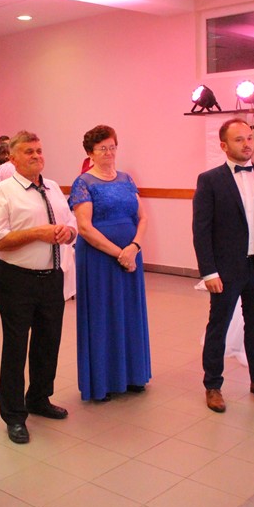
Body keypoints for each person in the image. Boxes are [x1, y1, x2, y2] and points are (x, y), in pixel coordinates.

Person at [192, 118, 254, 413]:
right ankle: (213, 385)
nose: (247, 144)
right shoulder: (210, 180)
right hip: (226, 268)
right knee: (218, 326)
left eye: (249, 138)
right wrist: (209, 272)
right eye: (239, 139)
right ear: (224, 145)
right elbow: (201, 230)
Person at [0, 130, 77, 444]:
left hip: (52, 276)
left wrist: (68, 233)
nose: (36, 156)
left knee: (48, 341)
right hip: (17, 278)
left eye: (39, 150)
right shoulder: (2, 192)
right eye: (28, 151)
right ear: (13, 159)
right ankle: (13, 415)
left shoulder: (53, 187)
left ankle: (39, 397)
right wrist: (37, 233)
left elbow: (71, 222)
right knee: (15, 348)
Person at [69, 125, 151, 402]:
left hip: (131, 255)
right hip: (99, 259)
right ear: (90, 152)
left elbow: (143, 218)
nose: (109, 152)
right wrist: (120, 254)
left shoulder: (127, 179)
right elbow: (85, 228)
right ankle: (103, 382)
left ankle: (133, 375)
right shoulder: (83, 182)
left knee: (129, 312)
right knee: (103, 315)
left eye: (112, 147)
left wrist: (134, 247)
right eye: (102, 148)